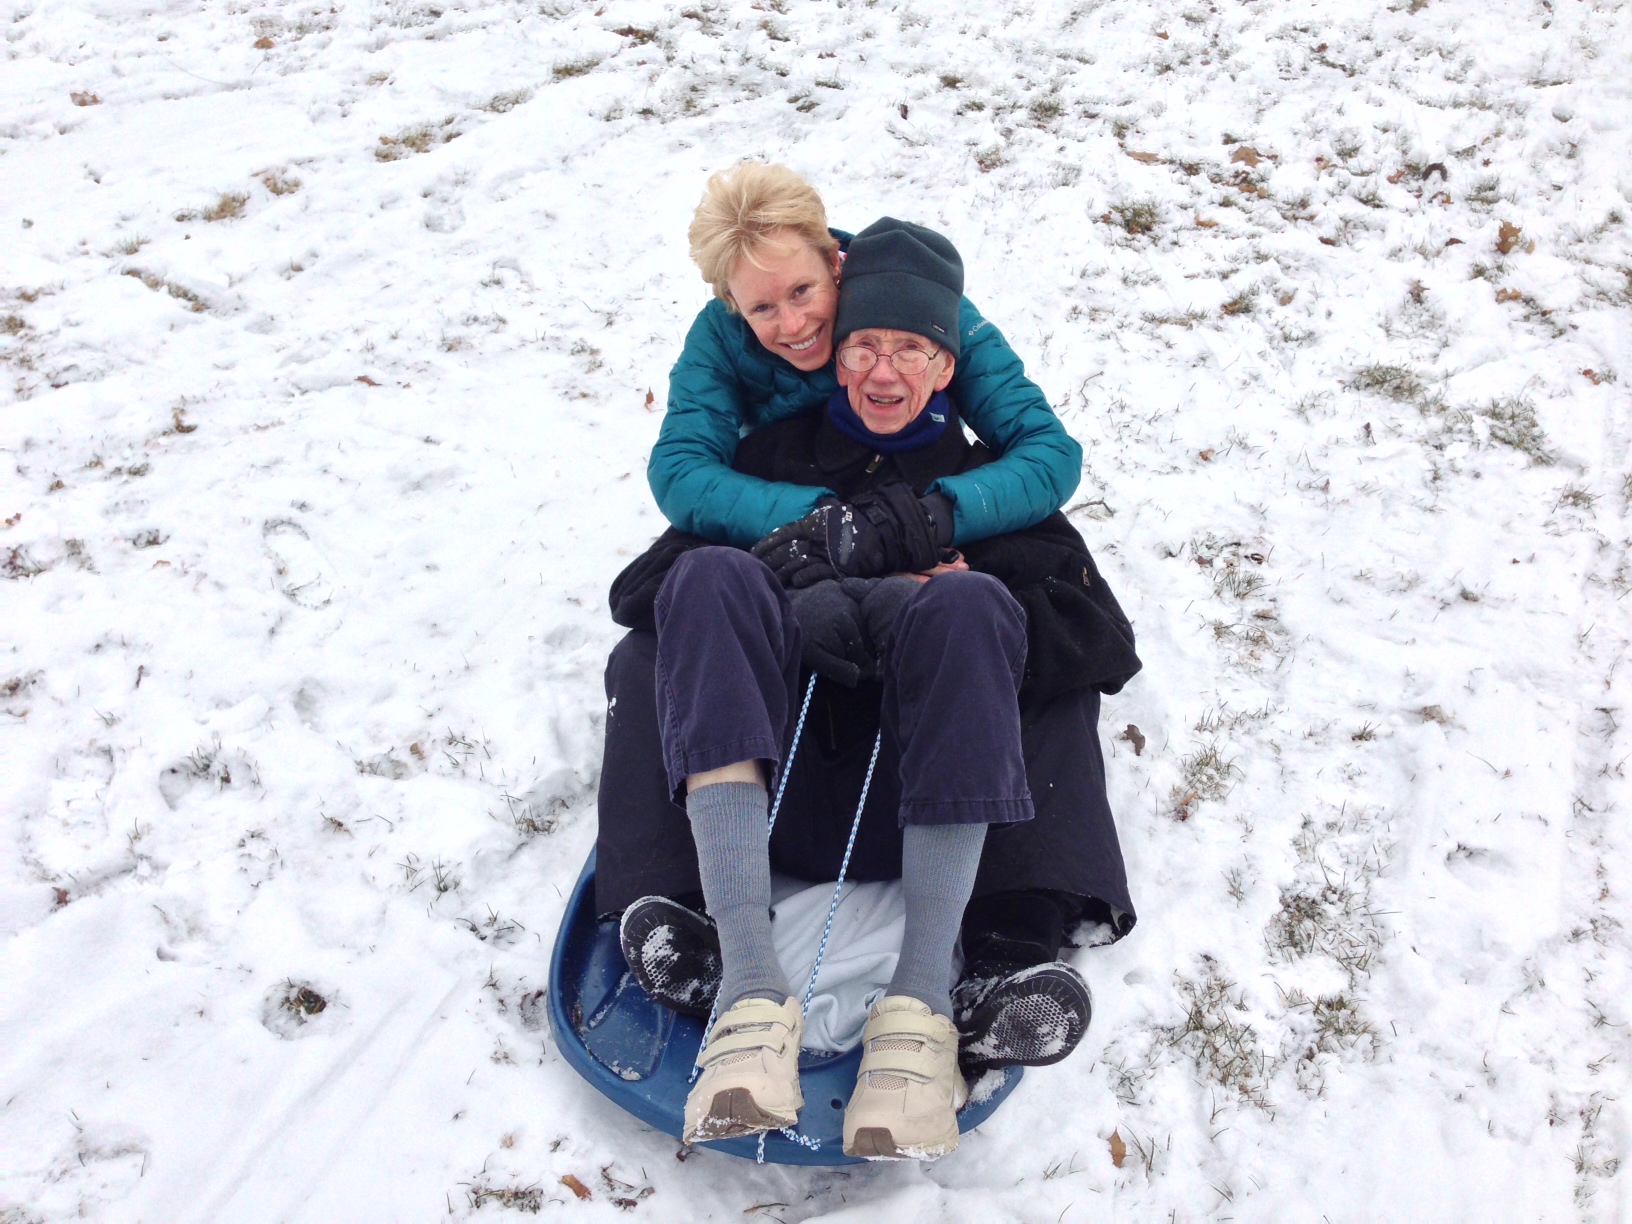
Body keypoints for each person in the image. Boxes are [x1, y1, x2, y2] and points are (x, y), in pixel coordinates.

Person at [597, 219, 1141, 1160]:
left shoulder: (985, 482)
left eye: (913, 350)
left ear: (946, 368)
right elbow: (642, 594)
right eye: (865, 347)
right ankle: (697, 926)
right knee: (667, 636)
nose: (885, 373)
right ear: (836, 360)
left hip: (949, 805)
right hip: (784, 787)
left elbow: (1101, 637)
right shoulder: (771, 463)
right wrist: (799, 583)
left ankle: (996, 960)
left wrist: (958, 592)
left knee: (1005, 633)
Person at [650, 160, 1082, 556]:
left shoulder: (916, 303)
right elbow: (680, 470)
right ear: (735, 304)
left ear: (834, 261)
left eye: (802, 291)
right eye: (762, 308)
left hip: (911, 475)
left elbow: (1049, 451)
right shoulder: (720, 335)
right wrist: (823, 523)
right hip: (791, 481)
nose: (795, 325)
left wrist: (934, 516)